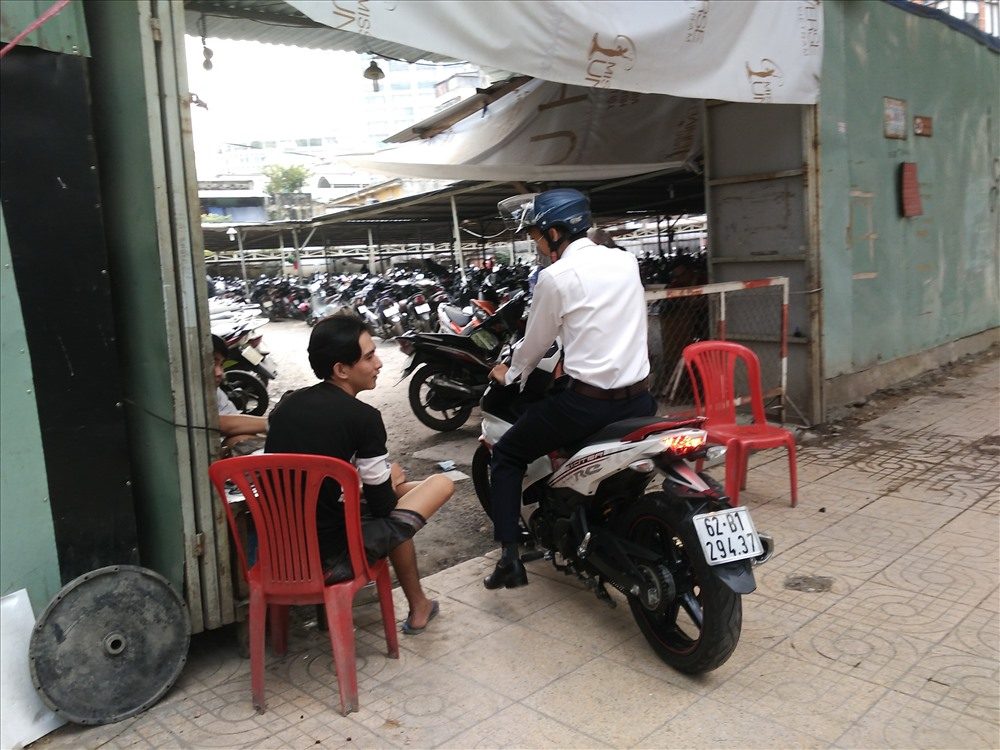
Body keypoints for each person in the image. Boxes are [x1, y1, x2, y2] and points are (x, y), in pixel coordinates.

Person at [484, 189, 656, 590]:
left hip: (588, 406)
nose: (536, 245)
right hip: (641, 400)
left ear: (555, 232)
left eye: (536, 236)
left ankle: (510, 558)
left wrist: (510, 373)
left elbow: (535, 342)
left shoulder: (555, 277)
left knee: (507, 454)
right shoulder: (625, 261)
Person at [264, 313, 453, 634]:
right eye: (369, 357)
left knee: (400, 491)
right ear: (341, 370)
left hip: (283, 550)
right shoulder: (364, 418)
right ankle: (419, 605)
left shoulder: (287, 405)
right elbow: (382, 508)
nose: (379, 363)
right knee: (440, 483)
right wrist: (390, 480)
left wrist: (380, 484)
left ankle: (419, 605)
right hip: (333, 555)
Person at [213, 334, 268, 456]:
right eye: (213, 363)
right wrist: (276, 423)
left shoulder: (215, 392)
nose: (219, 373)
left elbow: (233, 421)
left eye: (221, 365)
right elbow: (219, 423)